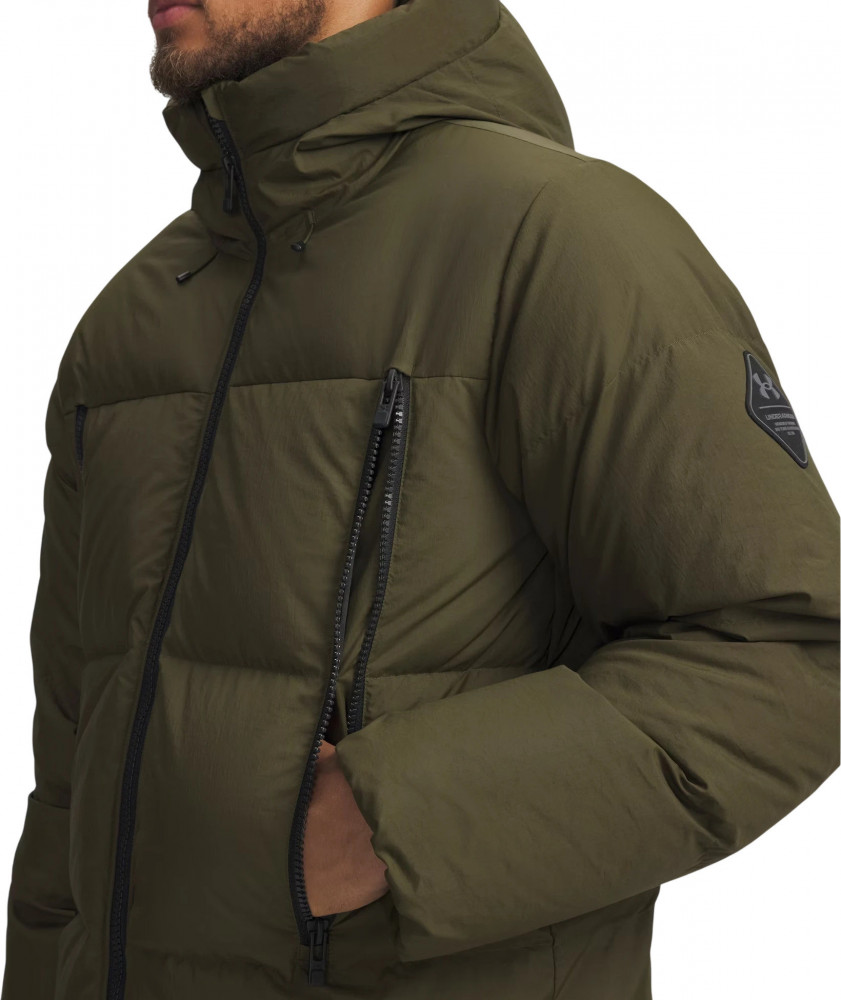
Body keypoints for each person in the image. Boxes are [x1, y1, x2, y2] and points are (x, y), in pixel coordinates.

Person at [2, 0, 839, 998]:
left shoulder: (556, 239)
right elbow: (72, 768)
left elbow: (789, 646)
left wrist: (395, 818)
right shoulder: (131, 322)